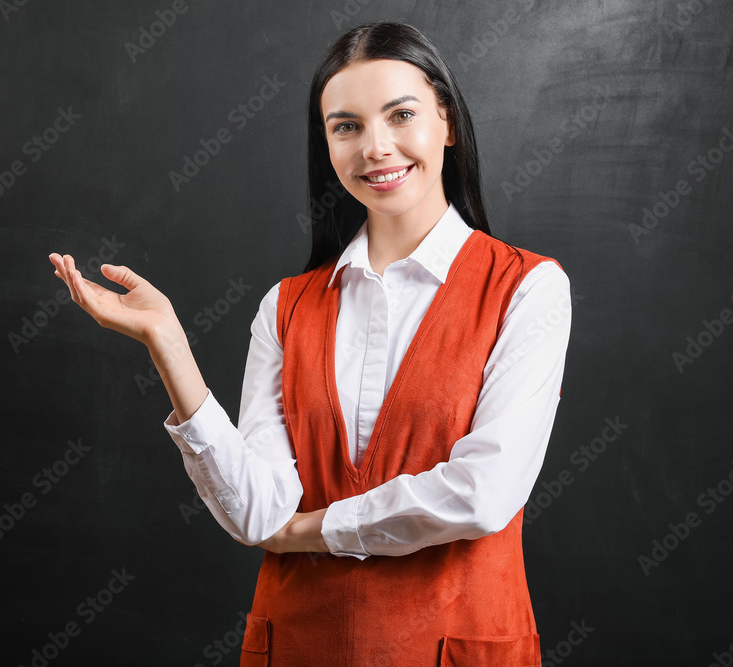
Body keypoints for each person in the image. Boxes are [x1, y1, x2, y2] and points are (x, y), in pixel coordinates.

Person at [49, 21, 570, 667]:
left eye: (400, 114)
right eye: (345, 126)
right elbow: (257, 513)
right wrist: (168, 343)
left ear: (448, 121)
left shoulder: (528, 287)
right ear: (326, 145)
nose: (376, 146)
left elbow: (483, 490)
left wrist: (312, 530)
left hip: (456, 646)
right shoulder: (287, 305)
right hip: (298, 645)